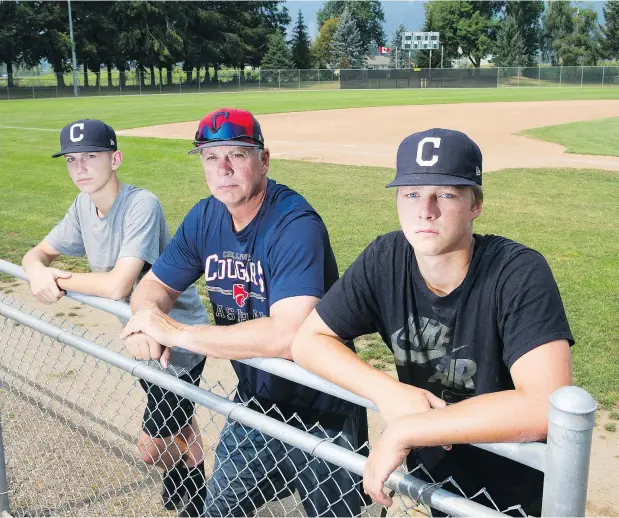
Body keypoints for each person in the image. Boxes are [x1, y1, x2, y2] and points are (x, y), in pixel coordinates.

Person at [291, 128, 574, 517]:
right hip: (430, 489)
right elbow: (308, 341)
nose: (425, 209)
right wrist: (387, 392)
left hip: (510, 499)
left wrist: (409, 430)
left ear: (476, 205)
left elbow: (544, 404)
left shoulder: (518, 272)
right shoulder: (385, 258)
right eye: (411, 193)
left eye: (445, 194)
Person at [120, 107, 368, 517]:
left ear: (264, 160)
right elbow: (154, 285)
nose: (223, 168)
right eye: (210, 157)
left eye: (237, 154)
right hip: (256, 403)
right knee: (220, 509)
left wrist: (177, 333)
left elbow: (288, 334)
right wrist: (147, 320)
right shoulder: (205, 216)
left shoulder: (294, 223)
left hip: (325, 411)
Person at [21, 119, 209, 516]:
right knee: (179, 418)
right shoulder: (82, 207)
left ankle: (187, 471)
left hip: (176, 339)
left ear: (116, 159)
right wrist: (38, 270)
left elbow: (117, 285)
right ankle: (192, 485)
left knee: (151, 445)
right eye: (72, 160)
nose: (81, 167)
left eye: (91, 156)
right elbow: (35, 254)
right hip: (137, 337)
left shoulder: (141, 204)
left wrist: (57, 278)